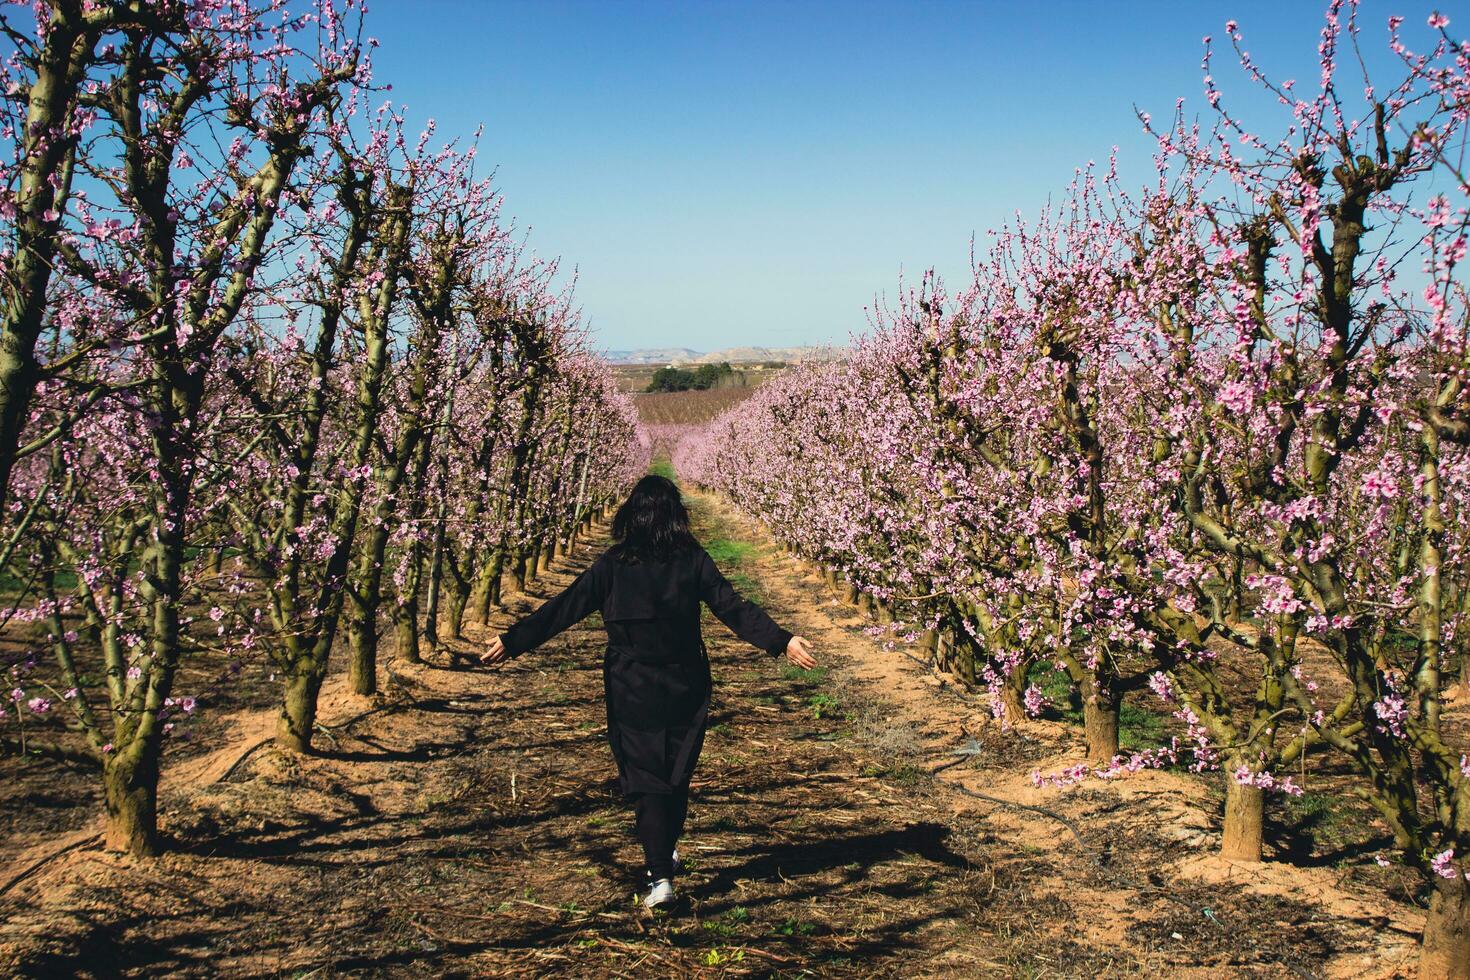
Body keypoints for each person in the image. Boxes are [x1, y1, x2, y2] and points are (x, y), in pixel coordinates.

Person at [480, 474, 816, 910]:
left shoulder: (613, 565)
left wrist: (514, 640)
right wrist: (781, 639)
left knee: (649, 777)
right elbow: (732, 606)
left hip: (631, 683)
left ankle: (660, 873)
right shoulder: (691, 559)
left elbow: (563, 607)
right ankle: (662, 865)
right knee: (673, 774)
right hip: (685, 681)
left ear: (631, 517)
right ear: (675, 517)